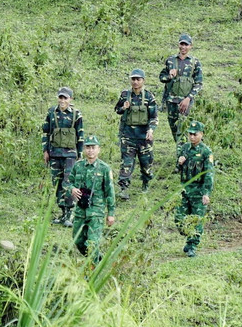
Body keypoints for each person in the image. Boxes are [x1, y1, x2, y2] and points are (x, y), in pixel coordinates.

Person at [42, 86, 84, 227]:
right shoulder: (51, 113)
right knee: (57, 184)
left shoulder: (76, 115)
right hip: (54, 154)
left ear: (70, 99)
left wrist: (80, 154)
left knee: (68, 183)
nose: (62, 100)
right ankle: (62, 213)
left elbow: (80, 135)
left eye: (65, 98)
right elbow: (46, 133)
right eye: (60, 97)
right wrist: (45, 151)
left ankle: (69, 214)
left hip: (70, 155)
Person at [70, 135, 116, 263]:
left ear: (98, 149)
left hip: (96, 210)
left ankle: (92, 269)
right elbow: (69, 182)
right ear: (84, 149)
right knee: (78, 240)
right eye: (88, 147)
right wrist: (72, 189)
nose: (91, 150)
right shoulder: (78, 166)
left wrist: (111, 214)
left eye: (93, 147)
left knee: (92, 242)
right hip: (80, 210)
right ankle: (97, 259)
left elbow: (110, 192)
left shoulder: (104, 168)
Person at [114, 69, 158, 200]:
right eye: (133, 79)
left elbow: (154, 117)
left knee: (146, 163)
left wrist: (151, 130)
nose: (135, 82)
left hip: (144, 137)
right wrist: (123, 108)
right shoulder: (125, 95)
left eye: (138, 79)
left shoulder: (149, 97)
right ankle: (124, 188)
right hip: (128, 136)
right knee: (126, 163)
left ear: (143, 81)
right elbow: (117, 110)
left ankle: (146, 183)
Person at [174, 120, 213, 257]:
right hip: (185, 190)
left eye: (195, 134)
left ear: (201, 134)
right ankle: (188, 236)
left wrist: (206, 193)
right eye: (190, 134)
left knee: (197, 219)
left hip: (198, 191)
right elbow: (177, 169)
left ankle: (192, 245)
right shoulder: (184, 148)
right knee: (179, 218)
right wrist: (179, 163)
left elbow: (208, 174)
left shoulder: (206, 152)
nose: (192, 137)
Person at [159, 33, 204, 144]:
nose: (183, 47)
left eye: (186, 45)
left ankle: (182, 154)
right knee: (173, 128)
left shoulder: (195, 62)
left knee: (183, 129)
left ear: (190, 46)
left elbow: (198, 83)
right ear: (178, 45)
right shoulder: (171, 61)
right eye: (182, 44)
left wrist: (188, 99)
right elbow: (162, 78)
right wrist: (169, 76)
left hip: (185, 102)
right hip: (171, 101)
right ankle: (181, 150)